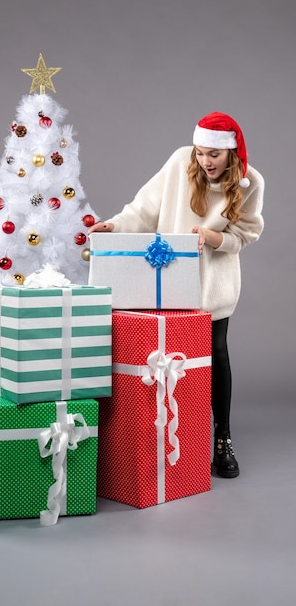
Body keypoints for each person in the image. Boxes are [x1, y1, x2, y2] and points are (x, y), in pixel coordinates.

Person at [88, 111, 264, 478]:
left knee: (215, 354)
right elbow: (145, 208)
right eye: (200, 153)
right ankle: (169, 435)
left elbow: (243, 237)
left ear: (231, 153)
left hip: (211, 284)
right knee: (165, 359)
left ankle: (222, 437)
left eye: (213, 155)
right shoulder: (180, 163)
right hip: (166, 280)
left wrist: (211, 237)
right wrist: (115, 226)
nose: (204, 161)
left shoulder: (252, 183)